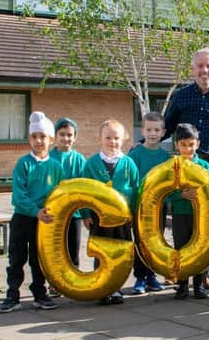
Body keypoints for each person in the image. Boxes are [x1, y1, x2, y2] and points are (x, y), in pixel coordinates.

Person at [163, 47, 209, 289]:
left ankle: (206, 270)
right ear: (193, 69)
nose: (204, 70)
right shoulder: (182, 96)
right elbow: (167, 126)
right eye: (200, 66)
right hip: (186, 164)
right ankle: (181, 267)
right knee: (184, 218)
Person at [0, 111, 63, 313]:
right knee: (17, 257)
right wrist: (35, 211)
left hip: (43, 220)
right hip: (23, 218)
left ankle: (39, 294)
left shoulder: (55, 167)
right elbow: (19, 195)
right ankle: (13, 294)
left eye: (42, 137)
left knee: (38, 258)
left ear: (51, 139)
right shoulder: (23, 163)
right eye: (34, 137)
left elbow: (59, 193)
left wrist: (50, 213)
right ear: (29, 139)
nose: (38, 141)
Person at [81, 120, 139, 305]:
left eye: (116, 138)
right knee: (102, 251)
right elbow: (83, 191)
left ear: (123, 139)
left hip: (122, 218)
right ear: (100, 139)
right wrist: (86, 214)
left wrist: (133, 213)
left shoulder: (129, 163)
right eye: (108, 138)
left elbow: (136, 189)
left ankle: (115, 288)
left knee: (120, 252)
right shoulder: (91, 164)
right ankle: (101, 287)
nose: (112, 142)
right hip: (99, 218)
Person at [170, 123, 209, 300]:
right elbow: (165, 192)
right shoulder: (172, 166)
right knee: (181, 249)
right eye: (183, 145)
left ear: (197, 143)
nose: (187, 149)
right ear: (177, 145)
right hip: (180, 214)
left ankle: (199, 286)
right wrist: (180, 194)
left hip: (200, 216)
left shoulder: (205, 165)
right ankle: (182, 285)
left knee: (200, 248)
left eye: (191, 144)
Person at [128, 112, 171, 295]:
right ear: (142, 131)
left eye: (156, 129)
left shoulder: (166, 158)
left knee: (156, 242)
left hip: (158, 209)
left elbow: (168, 184)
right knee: (140, 242)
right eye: (149, 129)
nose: (152, 133)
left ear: (163, 132)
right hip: (140, 208)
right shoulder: (134, 155)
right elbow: (131, 182)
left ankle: (152, 276)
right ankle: (139, 278)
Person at [47, 117, 86, 299]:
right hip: (55, 215)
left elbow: (85, 186)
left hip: (75, 213)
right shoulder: (48, 158)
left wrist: (85, 214)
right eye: (62, 135)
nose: (66, 138)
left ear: (75, 137)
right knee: (56, 249)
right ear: (55, 137)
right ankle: (55, 283)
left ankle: (74, 282)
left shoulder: (79, 159)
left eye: (69, 135)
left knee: (73, 249)